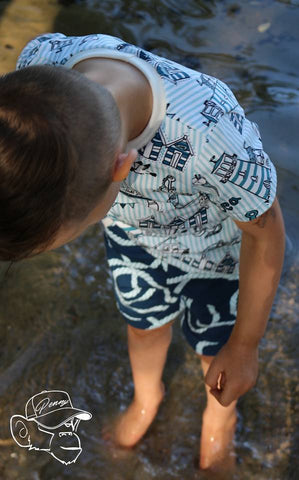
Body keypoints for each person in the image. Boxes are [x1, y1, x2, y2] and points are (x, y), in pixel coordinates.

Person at [0, 33, 285, 472]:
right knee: (143, 326)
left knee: (218, 349)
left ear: (123, 167)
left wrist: (246, 345)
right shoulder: (39, 68)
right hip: (136, 241)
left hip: (219, 258)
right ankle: (148, 395)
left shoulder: (211, 139)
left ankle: (221, 413)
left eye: (80, 227)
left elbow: (266, 234)